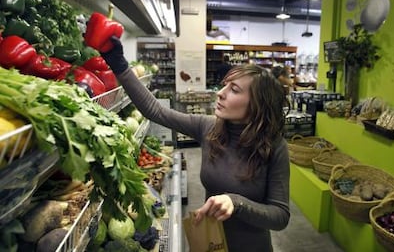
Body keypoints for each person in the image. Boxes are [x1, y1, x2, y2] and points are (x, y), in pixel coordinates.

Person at [100, 36, 290, 252]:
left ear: (258, 104)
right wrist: (119, 64)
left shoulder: (274, 146)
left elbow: (280, 215)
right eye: (224, 85)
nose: (220, 93)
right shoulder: (209, 128)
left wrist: (236, 203)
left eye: (234, 90)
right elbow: (155, 110)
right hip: (209, 242)